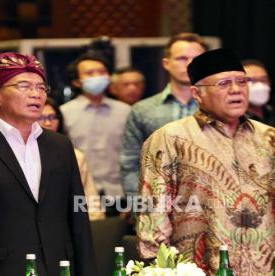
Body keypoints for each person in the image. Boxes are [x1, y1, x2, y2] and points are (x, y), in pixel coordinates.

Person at [0, 52, 97, 276]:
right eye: (24, 86)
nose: (36, 94)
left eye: (41, 87)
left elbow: (78, 219)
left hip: (59, 267)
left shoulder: (60, 146)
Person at [137, 48, 275, 275]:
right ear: (197, 93)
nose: (235, 90)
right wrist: (159, 268)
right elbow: (153, 212)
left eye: (241, 82)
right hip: (198, 268)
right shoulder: (171, 138)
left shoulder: (268, 138)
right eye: (223, 84)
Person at [120, 33, 207, 196]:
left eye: (197, 58)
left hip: (211, 202)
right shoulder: (143, 110)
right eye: (182, 58)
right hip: (158, 201)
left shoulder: (219, 108)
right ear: (166, 63)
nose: (190, 64)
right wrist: (138, 205)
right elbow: (130, 163)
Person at [61, 52, 131, 207]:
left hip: (119, 192)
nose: (97, 76)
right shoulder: (64, 113)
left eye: (102, 72)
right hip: (81, 193)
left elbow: (132, 153)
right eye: (90, 73)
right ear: (77, 82)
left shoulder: (125, 111)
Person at [38, 98, 105, 221]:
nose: (48, 123)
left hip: (66, 221)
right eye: (40, 118)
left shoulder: (74, 155)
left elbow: (89, 198)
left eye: (52, 117)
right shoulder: (19, 153)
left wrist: (95, 228)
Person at [242, 59, 275, 126]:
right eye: (251, 80)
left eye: (263, 80)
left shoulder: (272, 112)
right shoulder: (235, 121)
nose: (259, 85)